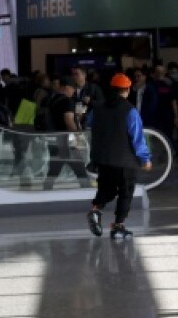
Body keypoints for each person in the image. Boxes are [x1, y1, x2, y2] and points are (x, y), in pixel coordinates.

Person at [87, 74, 153, 239]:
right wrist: (145, 158)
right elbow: (137, 138)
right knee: (126, 191)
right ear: (128, 90)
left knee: (106, 188)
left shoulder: (98, 108)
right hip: (124, 161)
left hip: (102, 159)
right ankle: (118, 226)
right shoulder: (130, 111)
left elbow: (89, 124)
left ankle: (96, 210)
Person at [43, 76, 91, 189]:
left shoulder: (52, 100)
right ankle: (87, 190)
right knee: (79, 170)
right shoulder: (67, 101)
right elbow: (69, 120)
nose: (73, 91)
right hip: (67, 142)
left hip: (54, 140)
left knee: (54, 168)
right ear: (66, 88)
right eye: (72, 88)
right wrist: (78, 136)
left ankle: (46, 187)